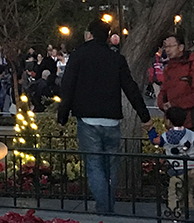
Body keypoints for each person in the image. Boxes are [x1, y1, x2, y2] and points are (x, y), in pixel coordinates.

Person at [58, 19, 152, 213]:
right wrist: (145, 116)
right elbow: (131, 88)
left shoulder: (78, 56)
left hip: (87, 119)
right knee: (110, 167)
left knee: (94, 165)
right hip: (111, 120)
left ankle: (104, 208)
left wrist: (62, 117)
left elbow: (67, 88)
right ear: (108, 37)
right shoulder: (116, 59)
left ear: (89, 35)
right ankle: (108, 206)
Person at [149, 106, 194, 217]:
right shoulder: (191, 134)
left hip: (177, 169)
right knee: (189, 192)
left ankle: (175, 213)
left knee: (174, 193)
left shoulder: (167, 136)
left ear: (168, 120)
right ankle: (190, 212)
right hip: (192, 167)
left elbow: (155, 140)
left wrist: (150, 130)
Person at [157, 34, 194, 128]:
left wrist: (175, 104)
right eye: (165, 46)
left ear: (181, 47)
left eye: (171, 46)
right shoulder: (168, 68)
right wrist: (161, 104)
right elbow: (164, 90)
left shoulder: (190, 65)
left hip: (190, 120)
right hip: (173, 120)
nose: (167, 50)